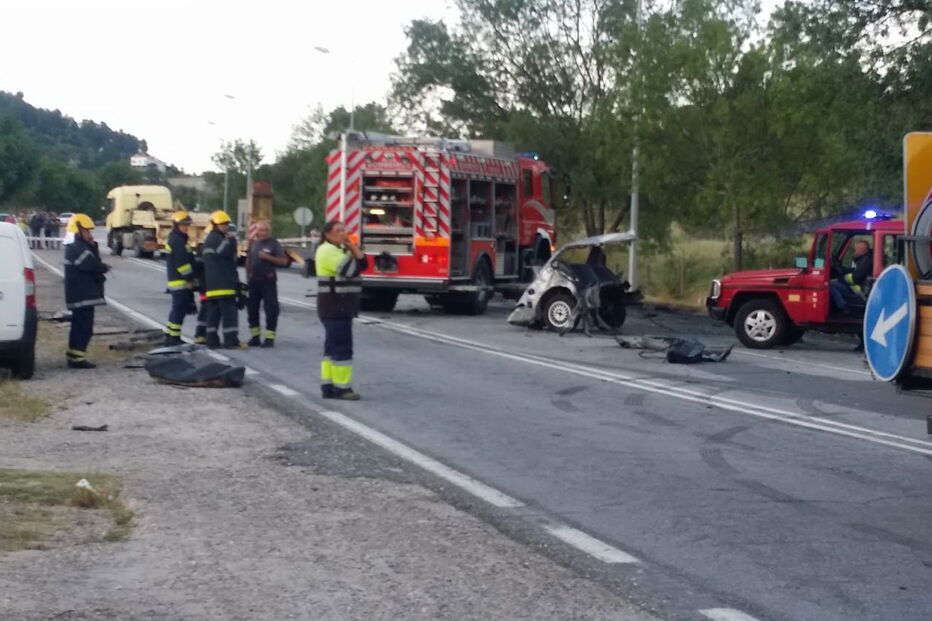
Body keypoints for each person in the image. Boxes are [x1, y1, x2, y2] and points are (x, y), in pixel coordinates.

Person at [315, 220, 368, 400]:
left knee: (331, 348)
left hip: (339, 306)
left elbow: (364, 264)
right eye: (338, 230)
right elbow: (353, 269)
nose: (343, 233)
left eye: (344, 230)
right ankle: (342, 388)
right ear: (328, 234)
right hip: (335, 306)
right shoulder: (328, 251)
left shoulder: (337, 250)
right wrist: (353, 248)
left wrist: (351, 249)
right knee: (342, 348)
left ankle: (328, 386)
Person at [63, 213, 109, 369]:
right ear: (77, 230)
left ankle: (73, 356)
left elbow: (92, 261)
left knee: (79, 327)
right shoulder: (76, 247)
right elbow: (91, 265)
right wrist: (104, 268)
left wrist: (93, 245)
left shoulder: (79, 246)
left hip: (82, 295)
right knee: (83, 328)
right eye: (87, 231)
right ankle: (77, 359)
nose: (90, 234)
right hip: (81, 295)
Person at [245, 220, 291, 347]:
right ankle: (255, 337)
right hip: (254, 281)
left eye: (265, 230)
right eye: (260, 230)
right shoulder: (253, 243)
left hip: (268, 281)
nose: (263, 233)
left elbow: (283, 261)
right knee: (252, 309)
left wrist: (268, 257)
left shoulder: (274, 244)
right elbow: (249, 260)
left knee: (271, 310)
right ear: (257, 231)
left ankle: (269, 338)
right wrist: (248, 276)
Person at [202, 210, 243, 349]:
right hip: (223, 284)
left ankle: (212, 341)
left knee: (213, 315)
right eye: (222, 224)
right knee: (229, 315)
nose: (225, 227)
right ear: (215, 225)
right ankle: (231, 342)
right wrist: (232, 240)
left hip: (213, 285)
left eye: (226, 224)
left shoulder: (210, 239)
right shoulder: (217, 238)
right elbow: (225, 253)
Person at [163, 211, 197, 346]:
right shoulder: (177, 241)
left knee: (177, 309)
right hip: (180, 282)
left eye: (187, 225)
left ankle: (170, 335)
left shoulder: (177, 239)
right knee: (179, 310)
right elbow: (182, 264)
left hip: (177, 281)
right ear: (177, 225)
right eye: (184, 225)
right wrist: (190, 278)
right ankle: (174, 339)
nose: (186, 227)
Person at [830, 239, 873, 315]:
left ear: (863, 250)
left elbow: (855, 278)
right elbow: (856, 271)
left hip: (859, 290)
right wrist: (844, 270)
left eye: (856, 249)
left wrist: (841, 279)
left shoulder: (865, 261)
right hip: (859, 287)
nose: (855, 251)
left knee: (831, 284)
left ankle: (843, 307)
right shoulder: (864, 259)